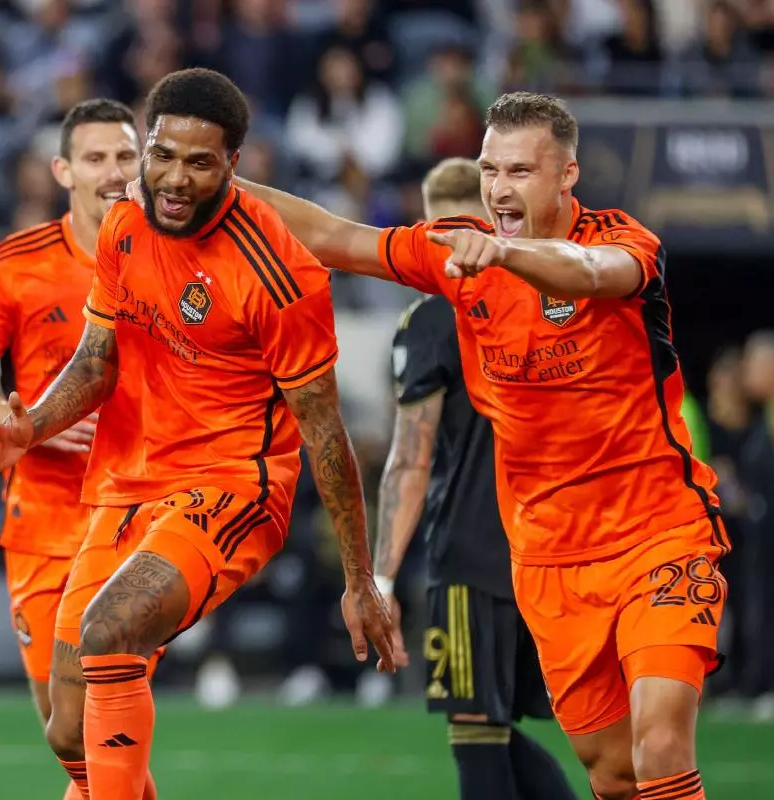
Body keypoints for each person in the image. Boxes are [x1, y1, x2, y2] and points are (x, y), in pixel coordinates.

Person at [227, 91, 725, 800]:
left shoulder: (621, 240)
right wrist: (221, 182)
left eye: (520, 171)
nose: (499, 187)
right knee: (613, 772)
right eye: (490, 170)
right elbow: (336, 236)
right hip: (548, 559)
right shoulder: (458, 252)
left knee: (662, 746)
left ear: (567, 175)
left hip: (659, 536)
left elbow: (589, 273)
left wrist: (508, 252)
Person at [0, 67, 397, 800]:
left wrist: (359, 580)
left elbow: (326, 433)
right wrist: (32, 426)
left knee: (110, 631)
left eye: (199, 162)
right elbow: (97, 360)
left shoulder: (278, 272)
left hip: (231, 487)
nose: (174, 178)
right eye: (162, 155)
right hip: (130, 484)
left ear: (234, 163)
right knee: (69, 731)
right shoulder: (124, 223)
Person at [0, 97, 141, 798]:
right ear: (63, 170)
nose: (112, 172)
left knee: (99, 726)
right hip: (42, 525)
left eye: (125, 156)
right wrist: (28, 423)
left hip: (137, 522)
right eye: (95, 157)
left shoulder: (171, 262)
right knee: (69, 738)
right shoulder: (13, 268)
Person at [377, 157, 575, 800]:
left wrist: (381, 578)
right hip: (548, 547)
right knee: (498, 725)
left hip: (470, 551)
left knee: (476, 728)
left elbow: (411, 457)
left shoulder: (432, 318)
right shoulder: (551, 297)